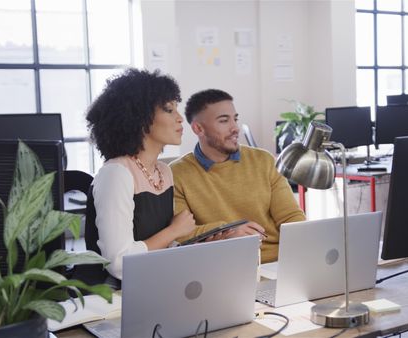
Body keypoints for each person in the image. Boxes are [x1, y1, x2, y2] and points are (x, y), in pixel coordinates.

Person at [84, 68, 196, 285]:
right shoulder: (116, 174)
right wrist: (173, 231)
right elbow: (119, 263)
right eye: (168, 110)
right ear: (139, 118)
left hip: (153, 282)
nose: (180, 118)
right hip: (117, 294)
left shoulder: (164, 171)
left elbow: (160, 243)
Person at [170, 89, 305, 263]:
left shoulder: (264, 161)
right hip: (224, 268)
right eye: (224, 121)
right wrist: (228, 231)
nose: (235, 128)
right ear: (198, 128)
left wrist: (301, 256)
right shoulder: (177, 173)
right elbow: (182, 235)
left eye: (235, 119)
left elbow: (291, 218)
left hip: (277, 262)